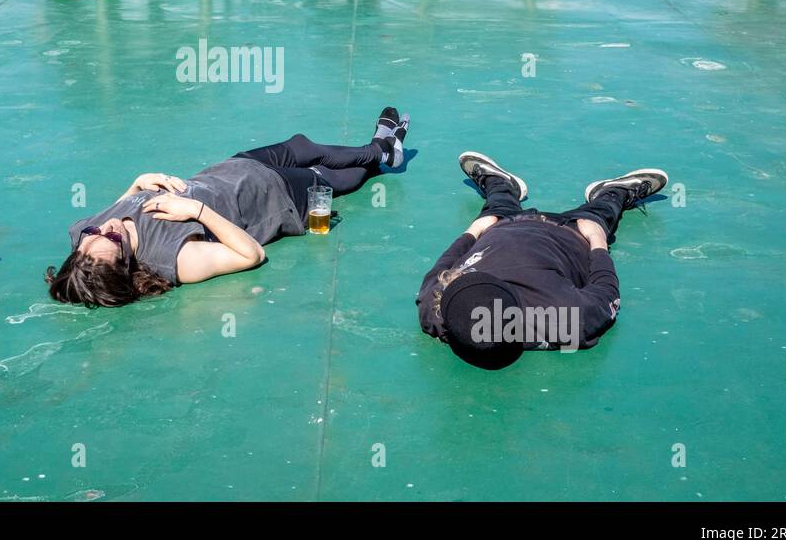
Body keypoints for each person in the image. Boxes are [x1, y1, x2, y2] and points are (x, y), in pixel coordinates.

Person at [47, 109, 411, 307]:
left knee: (303, 145)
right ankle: (380, 152)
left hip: (230, 170)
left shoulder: (88, 237)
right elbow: (250, 254)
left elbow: (119, 209)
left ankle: (381, 149)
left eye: (94, 234)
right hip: (272, 197)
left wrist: (137, 182)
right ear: (126, 259)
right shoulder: (175, 259)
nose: (108, 225)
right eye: (112, 236)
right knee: (329, 178)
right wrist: (196, 211)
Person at [417, 151, 667, 371]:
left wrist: (473, 230)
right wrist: (597, 241)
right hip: (569, 233)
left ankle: (502, 185)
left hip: (501, 224)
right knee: (602, 212)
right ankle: (613, 192)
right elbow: (605, 291)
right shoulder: (563, 318)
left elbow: (443, 266)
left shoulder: (436, 306)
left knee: (497, 203)